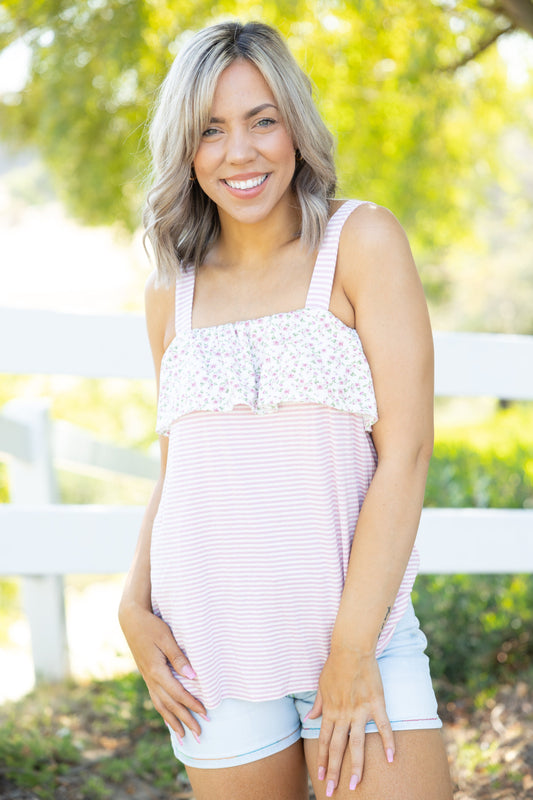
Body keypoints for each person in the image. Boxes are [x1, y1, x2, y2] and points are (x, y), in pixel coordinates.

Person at [119, 20, 453, 800]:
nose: (240, 152)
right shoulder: (171, 290)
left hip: (362, 638)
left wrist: (350, 651)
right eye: (211, 130)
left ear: (294, 127)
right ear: (186, 149)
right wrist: (133, 606)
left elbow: (403, 454)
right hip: (214, 654)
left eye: (261, 120)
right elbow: (180, 473)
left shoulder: (361, 240)